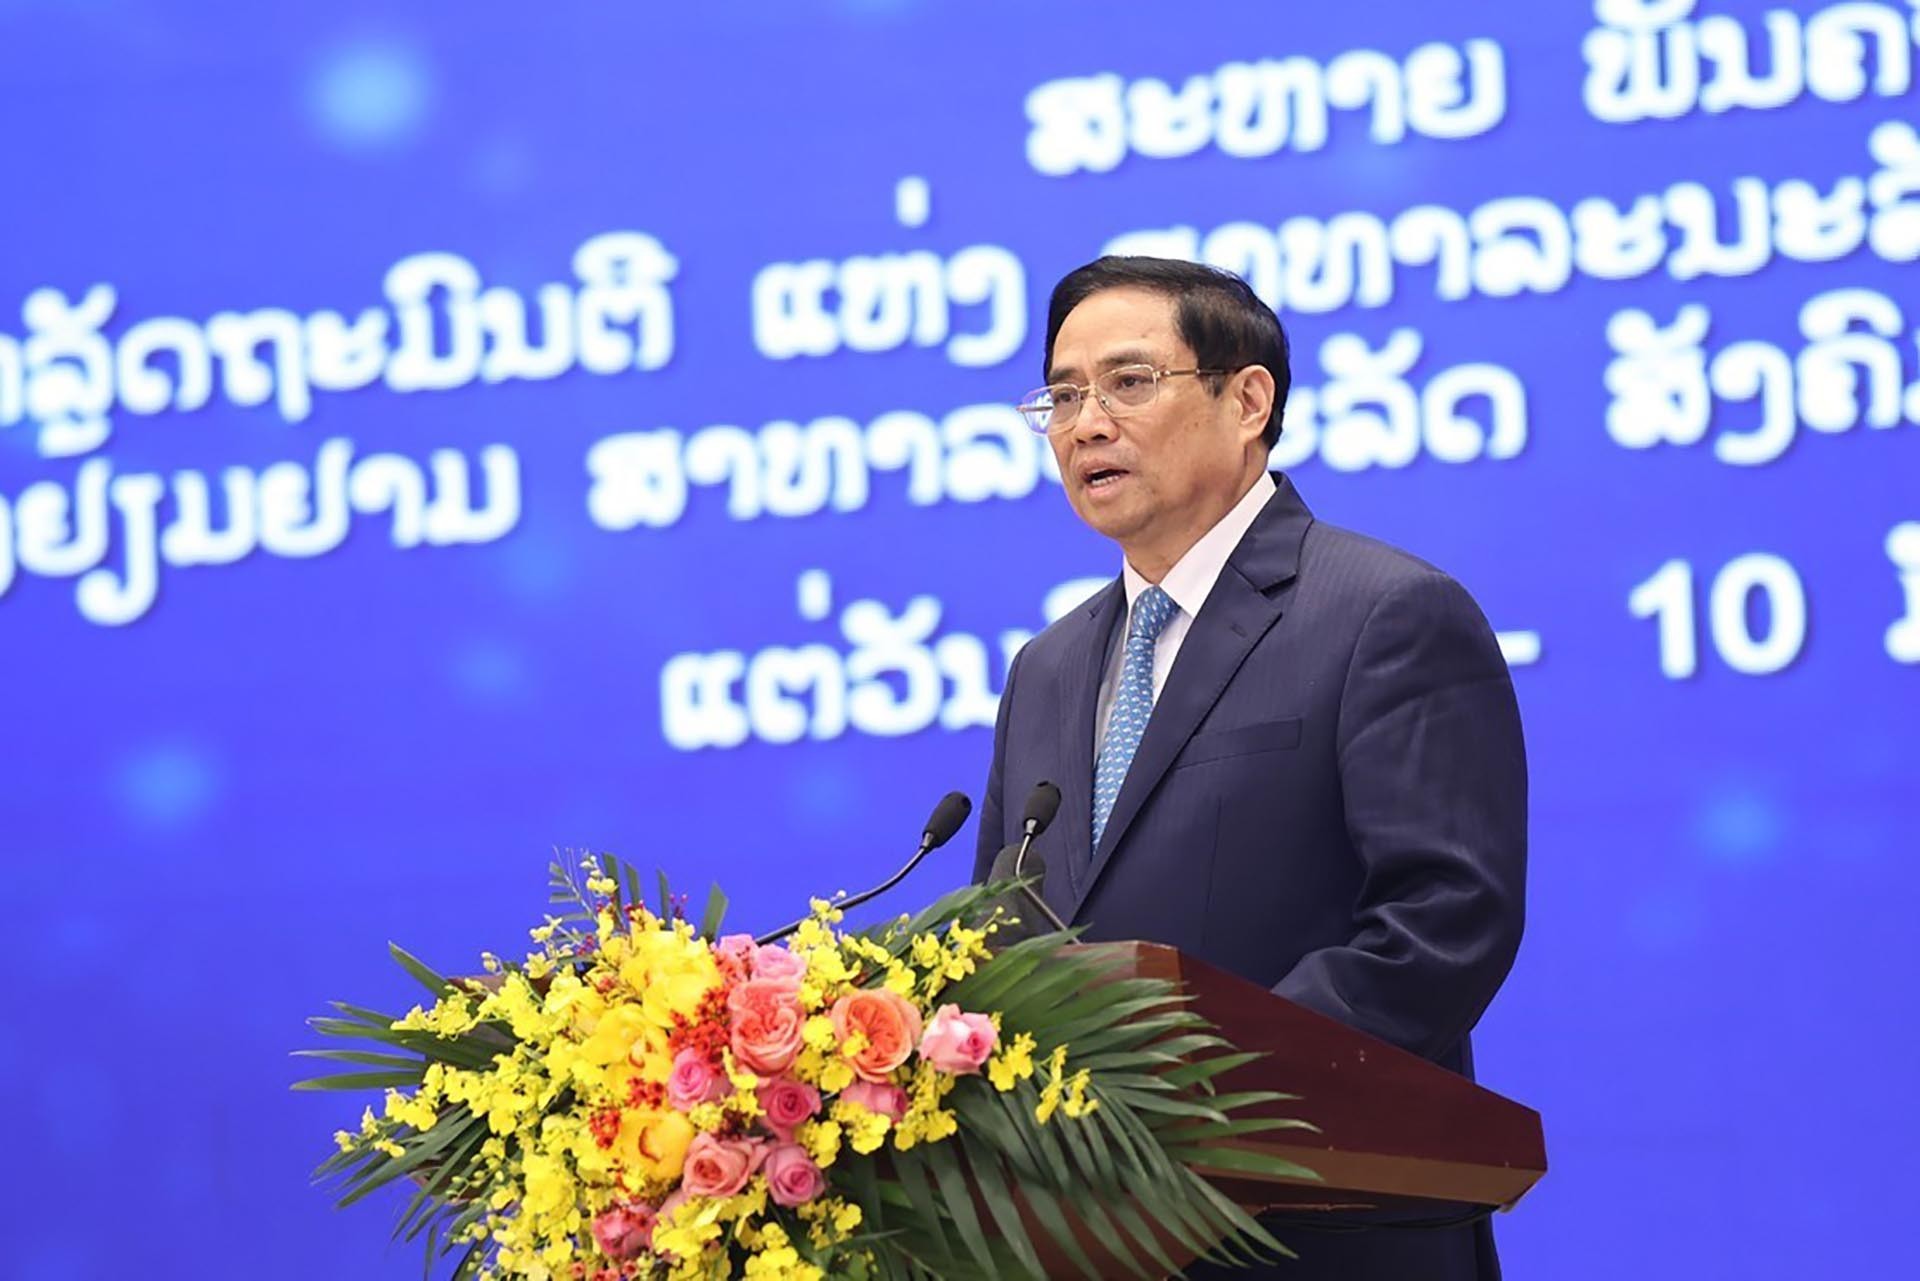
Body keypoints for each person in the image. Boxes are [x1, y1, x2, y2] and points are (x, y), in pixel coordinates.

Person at [972, 256, 1527, 1281]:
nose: (1086, 424)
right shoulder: (1045, 669)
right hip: (1092, 1242)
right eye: (1063, 396)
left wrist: (1185, 1099)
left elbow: (1441, 923)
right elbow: (1002, 942)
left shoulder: (1383, 614)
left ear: (1248, 401)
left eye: (1129, 382)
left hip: (1322, 1234)